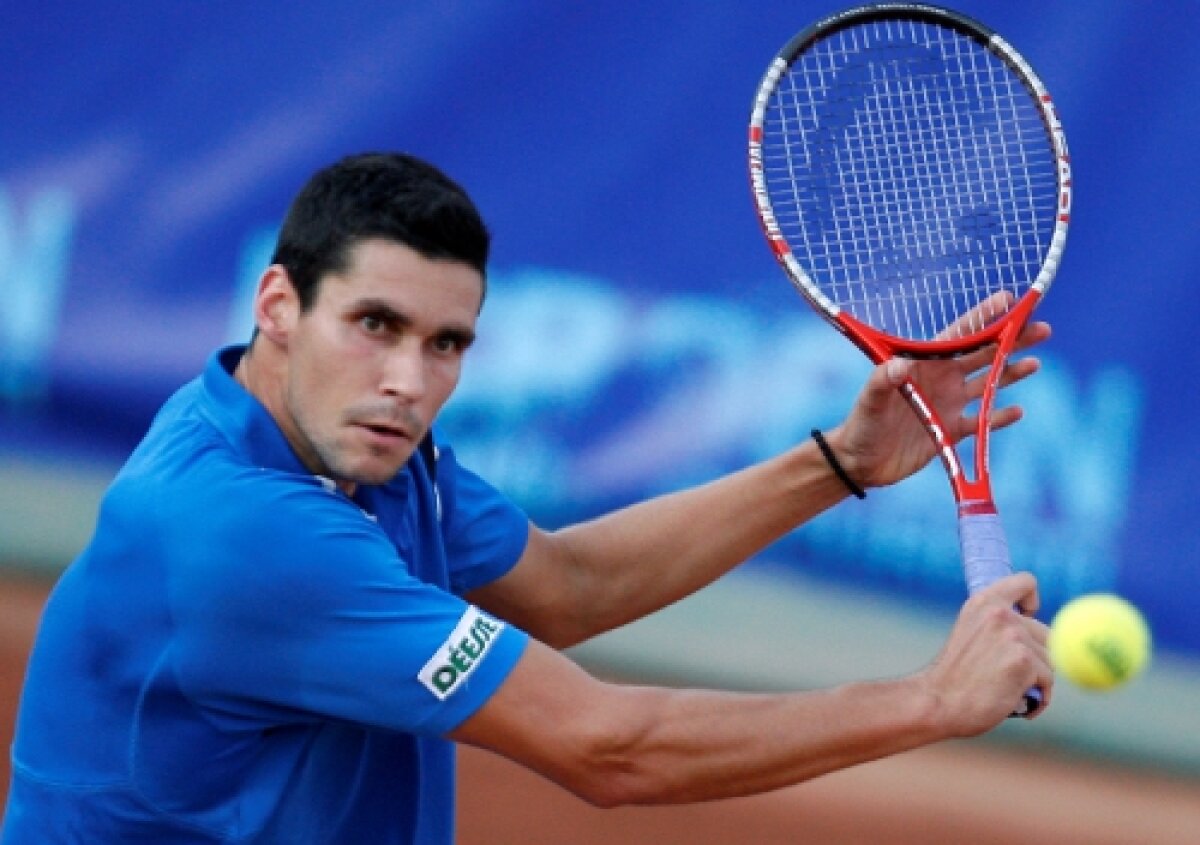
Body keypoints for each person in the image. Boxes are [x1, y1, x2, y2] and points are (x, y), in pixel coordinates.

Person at [2, 152, 1054, 844]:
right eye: (375, 324)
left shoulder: (339, 440)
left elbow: (567, 584)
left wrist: (839, 461)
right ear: (278, 303)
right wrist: (929, 699)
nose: (410, 381)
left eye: (445, 343)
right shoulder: (241, 532)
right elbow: (611, 745)